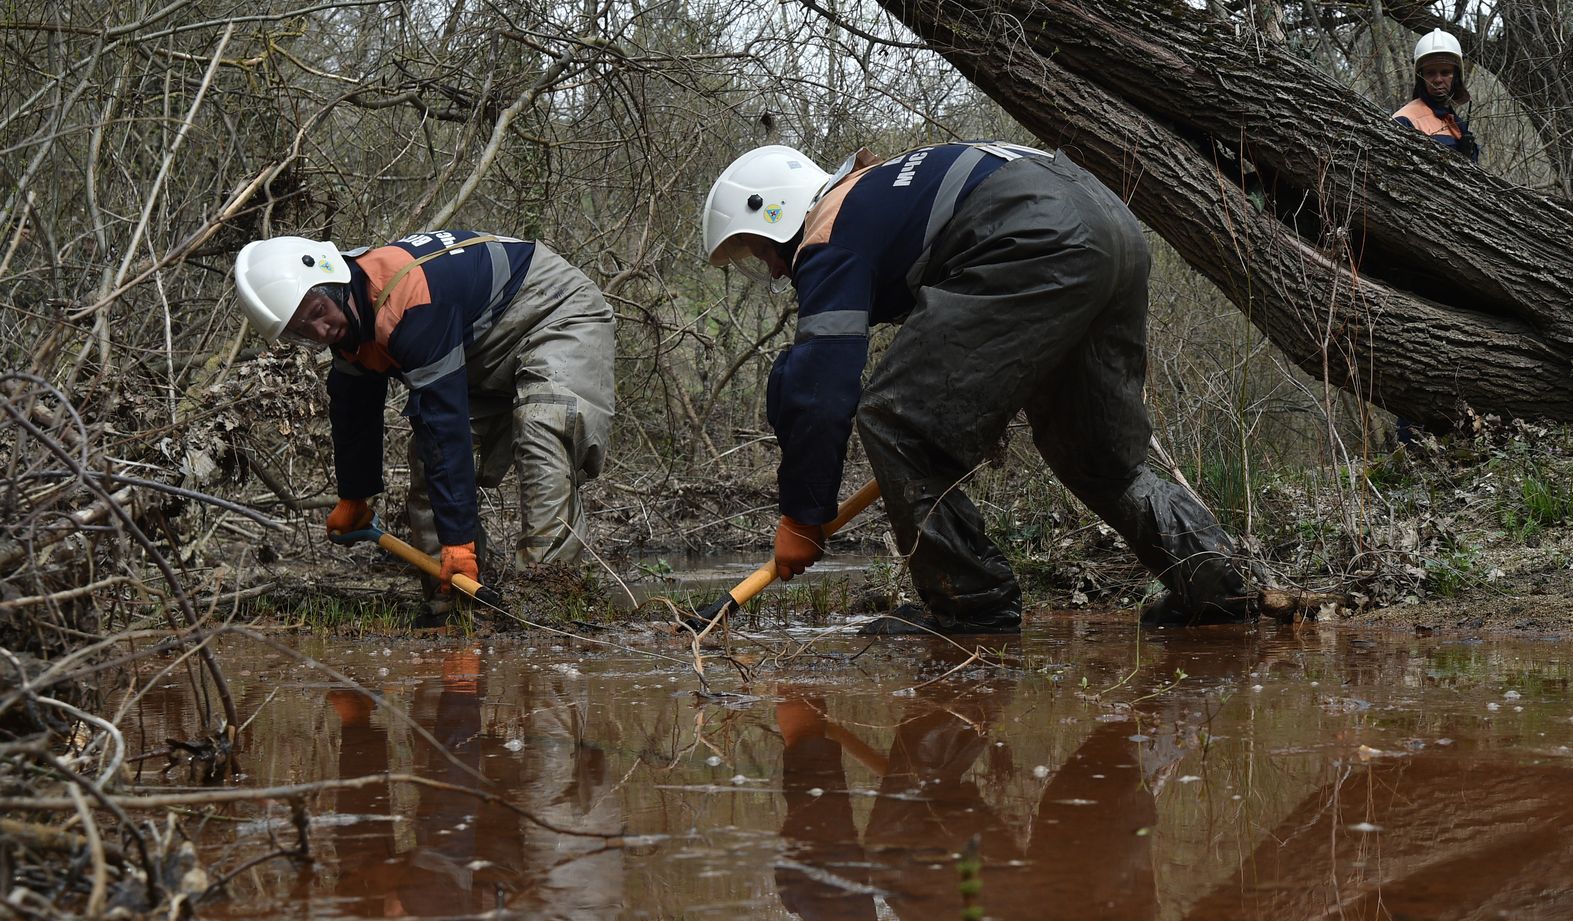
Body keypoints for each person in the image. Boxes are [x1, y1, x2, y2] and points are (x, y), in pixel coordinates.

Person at [700, 142, 1253, 633]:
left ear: (778, 213)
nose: (773, 271)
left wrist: (802, 515)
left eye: (761, 250)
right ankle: (1218, 590)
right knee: (1100, 454)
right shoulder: (881, 191)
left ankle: (972, 607)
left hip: (1032, 232)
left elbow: (818, 387)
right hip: (1109, 227)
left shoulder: (831, 233)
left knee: (897, 420)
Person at [233, 230, 614, 603]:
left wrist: (458, 538)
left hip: (555, 310)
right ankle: (453, 600)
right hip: (478, 346)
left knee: (543, 428)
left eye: (319, 313)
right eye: (303, 331)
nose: (321, 331)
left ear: (334, 281)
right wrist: (354, 497)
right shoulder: (349, 322)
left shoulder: (408, 301)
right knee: (428, 462)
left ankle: (544, 598)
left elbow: (443, 425)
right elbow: (353, 411)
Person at [1393, 29, 1480, 163]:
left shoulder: (1455, 122)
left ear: (1456, 77)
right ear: (1421, 77)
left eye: (1445, 73)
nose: (1438, 79)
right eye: (1430, 73)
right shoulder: (1405, 120)